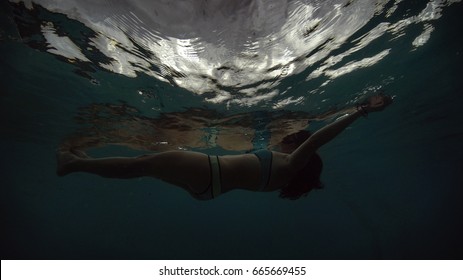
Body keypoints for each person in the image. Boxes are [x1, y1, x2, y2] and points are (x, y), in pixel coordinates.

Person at [56, 94, 393, 200]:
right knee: (146, 167)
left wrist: (360, 111)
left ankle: (71, 163)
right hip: (208, 189)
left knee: (141, 164)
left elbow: (319, 137)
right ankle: (81, 161)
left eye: (296, 137)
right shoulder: (283, 176)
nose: (290, 137)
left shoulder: (290, 164)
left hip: (208, 171)